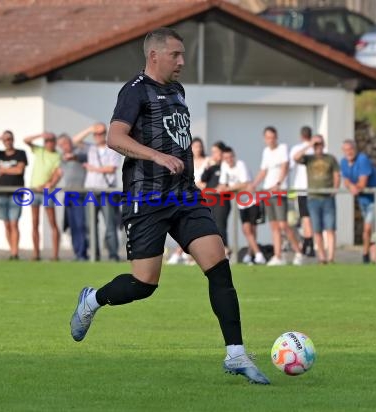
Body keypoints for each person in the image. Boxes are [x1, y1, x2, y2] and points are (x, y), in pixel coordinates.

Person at [69, 27, 270, 385]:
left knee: (218, 264)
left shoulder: (176, 90)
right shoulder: (134, 91)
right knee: (144, 284)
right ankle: (92, 299)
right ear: (154, 56)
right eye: (176, 55)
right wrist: (156, 156)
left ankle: (235, 353)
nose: (182, 61)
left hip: (184, 195)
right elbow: (116, 137)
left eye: (183, 54)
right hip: (146, 198)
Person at [251, 126, 303, 266]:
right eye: (268, 138)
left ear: (276, 137)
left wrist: (279, 183)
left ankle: (298, 252)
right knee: (274, 226)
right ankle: (278, 256)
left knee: (283, 225)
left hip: (279, 191)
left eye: (273, 137)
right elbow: (264, 170)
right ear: (264, 139)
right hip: (267, 192)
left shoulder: (283, 148)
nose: (271, 140)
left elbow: (285, 166)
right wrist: (254, 184)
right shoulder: (266, 151)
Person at [74, 123, 122, 262]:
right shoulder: (91, 148)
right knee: (90, 225)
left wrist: (92, 168)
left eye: (100, 133)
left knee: (109, 225)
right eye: (95, 134)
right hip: (91, 191)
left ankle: (113, 255)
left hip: (106, 192)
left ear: (105, 134)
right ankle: (95, 255)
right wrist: (90, 129)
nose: (97, 136)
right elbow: (75, 140)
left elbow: (111, 169)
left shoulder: (112, 149)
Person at [294, 134, 340, 264]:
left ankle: (331, 257)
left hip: (327, 198)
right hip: (313, 199)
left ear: (324, 145)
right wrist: (309, 145)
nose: (318, 147)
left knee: (330, 228)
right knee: (317, 230)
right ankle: (322, 257)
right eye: (316, 145)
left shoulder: (330, 159)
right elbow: (295, 157)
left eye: (320, 144)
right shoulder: (309, 159)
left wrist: (335, 189)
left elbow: (337, 174)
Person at [218, 146, 266, 265]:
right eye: (226, 158)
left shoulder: (241, 165)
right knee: (247, 230)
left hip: (252, 200)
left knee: (251, 230)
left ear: (234, 156)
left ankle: (254, 255)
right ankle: (256, 255)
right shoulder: (224, 167)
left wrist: (229, 188)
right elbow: (222, 184)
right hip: (241, 203)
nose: (229, 160)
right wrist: (225, 187)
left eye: (230, 157)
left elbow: (245, 184)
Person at [0, 130, 28, 260]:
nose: (7, 141)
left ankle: (15, 253)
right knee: (7, 224)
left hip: (16, 193)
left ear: (13, 140)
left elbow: (19, 170)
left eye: (9, 139)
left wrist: (4, 170)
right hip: (1, 193)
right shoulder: (0, 154)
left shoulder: (21, 153)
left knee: (14, 223)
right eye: (5, 139)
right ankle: (12, 251)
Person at [340, 139, 376, 264]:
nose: (349, 152)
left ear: (356, 149)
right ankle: (367, 254)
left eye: (351, 149)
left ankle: (370, 256)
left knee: (369, 228)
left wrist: (355, 187)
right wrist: (351, 186)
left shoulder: (362, 159)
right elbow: (346, 180)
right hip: (363, 199)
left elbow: (363, 182)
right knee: (368, 229)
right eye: (346, 150)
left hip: (374, 198)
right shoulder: (343, 162)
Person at [167, 136, 207, 264]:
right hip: (188, 196)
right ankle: (183, 254)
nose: (198, 149)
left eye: (200, 146)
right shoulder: (186, 161)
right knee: (187, 225)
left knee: (199, 227)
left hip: (204, 197)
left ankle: (181, 254)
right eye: (195, 146)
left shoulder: (208, 161)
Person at [24, 132, 63, 261]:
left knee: (53, 223)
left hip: (47, 192)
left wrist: (50, 184)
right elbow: (26, 140)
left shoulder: (57, 155)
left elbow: (57, 173)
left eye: (52, 141)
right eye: (48, 141)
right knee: (35, 223)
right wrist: (41, 135)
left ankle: (55, 255)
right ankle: (36, 254)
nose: (50, 143)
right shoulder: (39, 150)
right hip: (35, 190)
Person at [58, 133, 89, 261]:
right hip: (68, 193)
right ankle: (77, 253)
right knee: (72, 225)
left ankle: (83, 253)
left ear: (70, 142)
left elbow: (78, 156)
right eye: (61, 145)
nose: (64, 147)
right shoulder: (61, 157)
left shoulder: (81, 153)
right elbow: (59, 173)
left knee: (81, 224)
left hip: (80, 193)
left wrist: (72, 156)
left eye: (65, 143)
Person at [201, 141, 231, 258]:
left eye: (216, 152)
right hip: (209, 200)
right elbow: (203, 179)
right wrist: (207, 166)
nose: (214, 154)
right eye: (212, 152)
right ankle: (212, 253)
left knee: (220, 225)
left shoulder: (226, 167)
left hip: (222, 201)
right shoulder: (212, 168)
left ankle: (225, 251)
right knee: (209, 226)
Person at [289, 126, 315, 257]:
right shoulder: (309, 148)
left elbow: (292, 162)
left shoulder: (305, 148)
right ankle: (308, 243)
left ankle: (309, 244)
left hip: (305, 189)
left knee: (306, 218)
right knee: (306, 218)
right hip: (304, 189)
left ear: (301, 136)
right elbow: (295, 159)